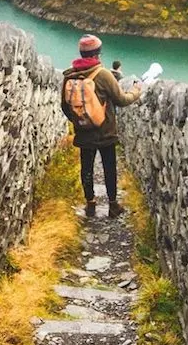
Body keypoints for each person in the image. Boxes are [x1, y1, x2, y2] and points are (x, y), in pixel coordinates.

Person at [60, 34, 140, 218]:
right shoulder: (103, 74)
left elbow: (65, 106)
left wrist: (80, 121)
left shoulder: (69, 75)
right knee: (109, 167)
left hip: (83, 133)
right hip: (106, 133)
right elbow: (122, 100)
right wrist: (136, 91)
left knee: (86, 168)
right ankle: (113, 206)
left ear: (81, 53)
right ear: (97, 54)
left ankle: (90, 204)